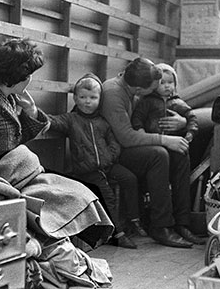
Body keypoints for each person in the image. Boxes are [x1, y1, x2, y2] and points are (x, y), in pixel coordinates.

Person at [0, 38, 113, 249]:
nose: (31, 79)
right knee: (67, 198)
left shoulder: (10, 99)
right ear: (15, 77)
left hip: (18, 172)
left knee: (80, 193)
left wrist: (32, 112)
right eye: (29, 75)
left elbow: (14, 140)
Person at [101, 57, 205, 248]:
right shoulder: (113, 93)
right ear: (139, 91)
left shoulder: (132, 86)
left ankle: (181, 222)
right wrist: (165, 140)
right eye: (154, 88)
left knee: (179, 153)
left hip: (130, 147)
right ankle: (161, 226)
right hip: (113, 153)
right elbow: (127, 138)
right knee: (159, 154)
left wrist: (183, 123)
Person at [47, 73, 148, 249]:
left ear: (99, 99)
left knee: (130, 178)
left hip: (107, 165)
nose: (88, 102)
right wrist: (32, 112)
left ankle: (134, 219)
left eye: (93, 98)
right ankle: (118, 234)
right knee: (107, 194)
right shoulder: (71, 120)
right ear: (75, 99)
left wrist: (108, 158)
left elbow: (114, 144)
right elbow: (52, 122)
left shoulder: (103, 122)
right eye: (83, 97)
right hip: (87, 170)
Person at [131, 63, 198, 143]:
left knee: (182, 151)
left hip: (176, 141)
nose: (167, 86)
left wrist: (191, 131)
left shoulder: (179, 102)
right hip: (153, 140)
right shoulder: (148, 101)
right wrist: (140, 131)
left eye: (170, 82)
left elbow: (191, 117)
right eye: (162, 83)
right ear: (154, 84)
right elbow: (137, 117)